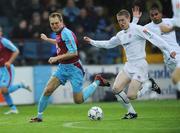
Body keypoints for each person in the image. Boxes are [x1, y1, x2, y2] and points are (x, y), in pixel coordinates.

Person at [84, 9, 176, 119]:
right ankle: (131, 113)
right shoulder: (120, 35)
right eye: (119, 21)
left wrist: (170, 50)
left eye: (123, 20)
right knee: (116, 89)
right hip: (129, 65)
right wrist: (92, 41)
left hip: (140, 66)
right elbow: (108, 44)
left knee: (131, 96)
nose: (121, 23)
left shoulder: (138, 29)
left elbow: (155, 38)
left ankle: (149, 85)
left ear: (128, 19)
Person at [30, 12, 110, 123]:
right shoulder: (59, 33)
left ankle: (97, 81)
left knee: (78, 100)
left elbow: (74, 52)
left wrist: (56, 58)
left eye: (56, 23)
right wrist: (48, 39)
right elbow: (59, 43)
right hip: (62, 68)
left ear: (61, 22)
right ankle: (39, 117)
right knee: (48, 90)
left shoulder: (66, 33)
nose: (54, 25)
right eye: (52, 24)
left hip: (74, 69)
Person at [132, 5, 180, 98]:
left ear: (161, 14)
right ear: (150, 16)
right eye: (152, 15)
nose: (154, 16)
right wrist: (135, 19)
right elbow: (133, 31)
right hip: (167, 59)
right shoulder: (148, 27)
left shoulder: (170, 21)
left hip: (178, 54)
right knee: (177, 80)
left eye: (156, 14)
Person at [0, 26, 30, 114]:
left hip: (7, 69)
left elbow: (16, 51)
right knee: (4, 91)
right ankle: (13, 109)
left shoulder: (4, 41)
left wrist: (9, 62)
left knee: (4, 90)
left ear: (1, 33)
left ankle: (21, 85)